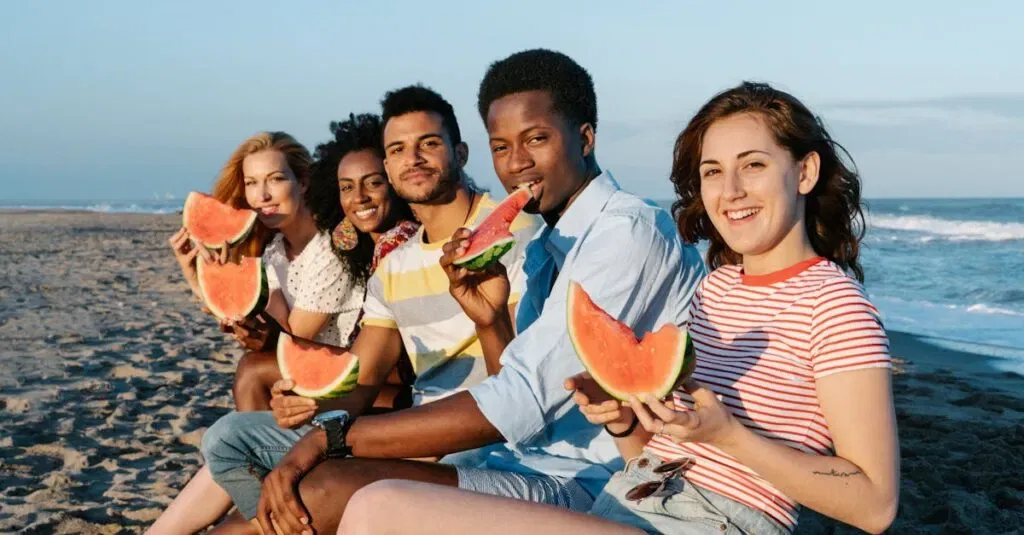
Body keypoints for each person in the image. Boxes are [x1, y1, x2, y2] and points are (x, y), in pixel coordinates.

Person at [337, 81, 900, 535]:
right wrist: (628, 420)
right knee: (373, 506)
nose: (730, 190)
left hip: (717, 523)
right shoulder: (716, 290)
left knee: (380, 506)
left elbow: (875, 505)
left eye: (752, 165)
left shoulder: (837, 306)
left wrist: (729, 435)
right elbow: (649, 452)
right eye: (712, 172)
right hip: (628, 502)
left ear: (803, 172)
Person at [236, 49, 705, 535]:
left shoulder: (626, 233)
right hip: (522, 460)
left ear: (584, 138)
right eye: (500, 147)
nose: (517, 163)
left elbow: (523, 400)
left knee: (323, 489)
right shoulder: (549, 243)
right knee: (280, 497)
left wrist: (331, 437)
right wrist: (490, 320)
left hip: (588, 480)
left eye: (536, 139)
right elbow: (522, 385)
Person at [200, 85, 541, 533]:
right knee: (225, 439)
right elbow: (361, 382)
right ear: (388, 164)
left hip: (478, 440)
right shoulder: (394, 266)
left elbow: (517, 388)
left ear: (459, 152)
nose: (412, 158)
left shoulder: (519, 234)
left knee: (256, 517)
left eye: (429, 144)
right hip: (411, 430)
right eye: (397, 149)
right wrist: (310, 401)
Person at [150, 122, 419, 534]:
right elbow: (243, 318)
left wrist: (245, 295)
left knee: (253, 369)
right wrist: (199, 275)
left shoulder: (332, 247)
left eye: (276, 179)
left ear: (304, 182)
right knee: (251, 371)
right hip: (319, 377)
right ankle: (262, 489)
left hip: (358, 377)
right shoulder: (275, 250)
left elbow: (293, 338)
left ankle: (263, 494)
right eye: (252, 183)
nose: (262, 195)